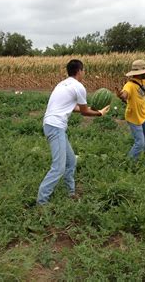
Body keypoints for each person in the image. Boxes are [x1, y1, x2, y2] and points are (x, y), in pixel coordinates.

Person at [37, 59, 110, 205]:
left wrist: (94, 111)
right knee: (58, 168)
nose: (84, 73)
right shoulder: (79, 87)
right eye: (84, 71)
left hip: (52, 125)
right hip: (55, 126)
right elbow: (84, 111)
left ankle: (70, 193)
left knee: (71, 162)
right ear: (79, 71)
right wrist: (99, 113)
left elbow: (71, 107)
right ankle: (42, 202)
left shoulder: (63, 84)